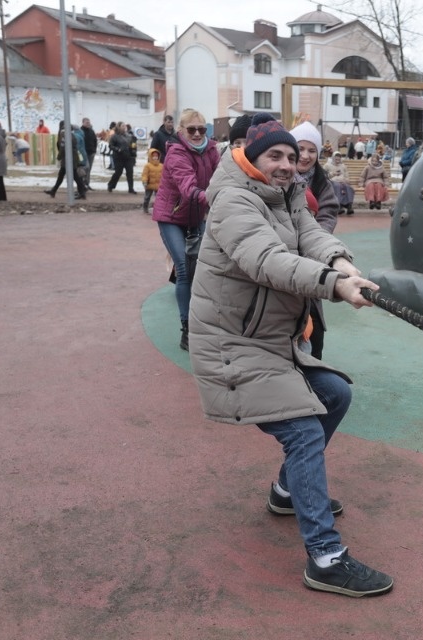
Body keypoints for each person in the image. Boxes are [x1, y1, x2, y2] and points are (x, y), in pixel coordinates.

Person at [187, 112, 393, 598]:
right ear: (250, 157)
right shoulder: (233, 201)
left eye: (290, 156)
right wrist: (335, 286)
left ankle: (286, 493)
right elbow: (268, 260)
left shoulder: (288, 193)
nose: (286, 164)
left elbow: (309, 235)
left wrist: (341, 262)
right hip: (232, 346)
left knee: (335, 394)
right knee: (302, 430)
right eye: (273, 156)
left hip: (275, 343)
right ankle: (325, 558)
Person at [151, 108, 220, 350]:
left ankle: (203, 322)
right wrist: (216, 199)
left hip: (196, 216)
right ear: (181, 131)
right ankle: (187, 329)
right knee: (183, 267)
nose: (198, 133)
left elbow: (222, 176)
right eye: (192, 129)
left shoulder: (211, 149)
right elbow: (188, 188)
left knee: (200, 268)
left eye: (202, 129)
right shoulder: (176, 153)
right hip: (172, 216)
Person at [290, 120, 341, 360]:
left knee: (314, 320)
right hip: (285, 255)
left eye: (312, 150)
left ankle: (315, 363)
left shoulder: (321, 183)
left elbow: (328, 215)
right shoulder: (281, 176)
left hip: (311, 257)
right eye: (301, 148)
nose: (306, 155)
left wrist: (314, 240)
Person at [44, 121, 87, 200]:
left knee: (73, 177)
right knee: (67, 176)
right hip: (72, 160)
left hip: (67, 160)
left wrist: (58, 158)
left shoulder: (66, 137)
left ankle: (82, 192)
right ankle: (54, 191)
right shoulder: (73, 136)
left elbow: (62, 149)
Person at [106, 123, 136, 193]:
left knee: (130, 172)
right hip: (118, 157)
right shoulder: (114, 136)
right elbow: (110, 146)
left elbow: (133, 145)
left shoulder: (129, 136)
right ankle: (111, 185)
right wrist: (117, 149)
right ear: (118, 127)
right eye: (122, 126)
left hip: (128, 157)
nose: (124, 127)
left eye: (124, 126)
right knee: (118, 172)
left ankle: (131, 188)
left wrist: (133, 151)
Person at [141, 148, 163, 214]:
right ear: (150, 157)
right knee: (147, 197)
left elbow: (164, 175)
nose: (155, 158)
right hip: (149, 184)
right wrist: (144, 182)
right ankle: (145, 208)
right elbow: (145, 175)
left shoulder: (161, 166)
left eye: (156, 156)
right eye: (153, 156)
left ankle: (158, 209)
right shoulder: (147, 166)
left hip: (158, 185)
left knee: (158, 198)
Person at [81, 117, 98, 189]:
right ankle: (82, 183)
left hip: (91, 152)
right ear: (83, 123)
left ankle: (87, 183)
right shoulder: (81, 131)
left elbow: (95, 140)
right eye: (86, 122)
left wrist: (94, 149)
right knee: (85, 168)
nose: (88, 124)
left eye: (89, 122)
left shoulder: (91, 131)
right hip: (84, 153)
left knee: (89, 169)